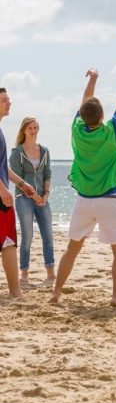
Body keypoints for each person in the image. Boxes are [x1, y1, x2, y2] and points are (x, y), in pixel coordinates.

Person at [49, 69, 116, 306]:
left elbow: (85, 101)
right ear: (102, 116)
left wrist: (93, 78)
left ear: (83, 116)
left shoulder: (76, 129)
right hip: (110, 200)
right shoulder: (111, 130)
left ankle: (56, 293)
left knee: (72, 249)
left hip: (84, 200)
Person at [0, 87, 37, 298]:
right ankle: (15, 292)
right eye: (4, 100)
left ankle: (15, 291)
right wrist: (4, 189)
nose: (9, 103)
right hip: (0, 197)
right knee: (8, 242)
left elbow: (2, 166)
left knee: (7, 242)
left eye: (9, 99)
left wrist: (22, 184)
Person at [9, 117, 55, 283]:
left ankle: (50, 272)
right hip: (24, 199)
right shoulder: (17, 153)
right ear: (23, 130)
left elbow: (47, 174)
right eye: (30, 128)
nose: (33, 131)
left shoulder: (45, 151)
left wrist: (46, 194)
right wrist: (32, 195)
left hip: (43, 198)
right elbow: (16, 179)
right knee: (27, 237)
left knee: (48, 236)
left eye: (35, 127)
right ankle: (24, 273)